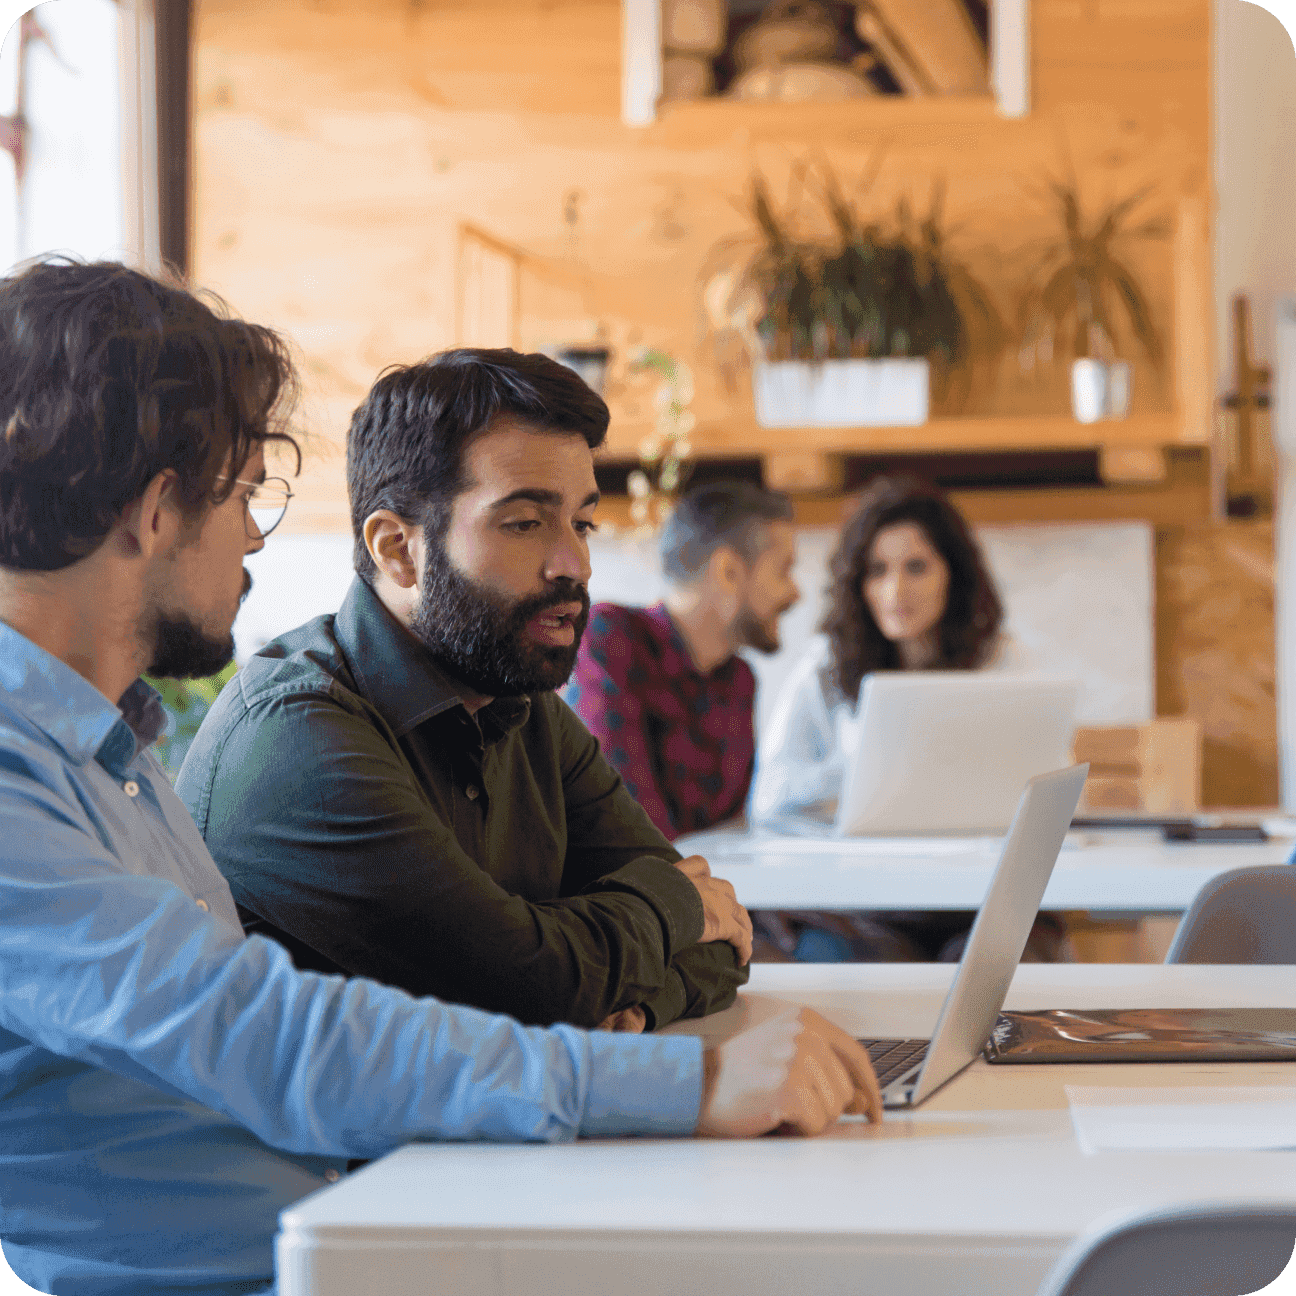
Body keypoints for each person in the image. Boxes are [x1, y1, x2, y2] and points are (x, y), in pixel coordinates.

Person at [0, 259, 882, 1296]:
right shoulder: (31, 781)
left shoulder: (110, 752)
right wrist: (681, 1080)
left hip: (380, 1217)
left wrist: (632, 1018)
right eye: (242, 492)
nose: (253, 534)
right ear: (154, 512)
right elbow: (270, 1034)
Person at [179, 350, 754, 1035]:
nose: (575, 564)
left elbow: (723, 940)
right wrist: (670, 914)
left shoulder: (523, 705)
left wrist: (635, 1002)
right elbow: (522, 985)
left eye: (582, 522)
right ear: (398, 549)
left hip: (494, 1132)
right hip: (340, 1146)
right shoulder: (294, 735)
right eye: (524, 523)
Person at [748, 474, 1065, 964]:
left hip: (981, 895)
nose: (895, 590)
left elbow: (1043, 786)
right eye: (877, 570)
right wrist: (861, 763)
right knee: (834, 951)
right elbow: (769, 799)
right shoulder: (827, 666)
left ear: (952, 574)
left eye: (916, 567)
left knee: (1001, 958)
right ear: (857, 581)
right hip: (870, 905)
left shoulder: (1001, 660)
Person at [563, 480, 799, 841]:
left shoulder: (739, 680)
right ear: (728, 571)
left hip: (702, 888)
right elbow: (626, 827)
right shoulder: (611, 639)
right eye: (783, 570)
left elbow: (728, 834)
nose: (795, 592)